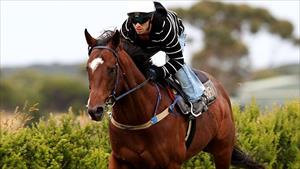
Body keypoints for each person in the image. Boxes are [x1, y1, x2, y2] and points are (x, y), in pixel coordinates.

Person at [120, 1, 207, 116]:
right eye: (134, 20)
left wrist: (158, 71)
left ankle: (197, 98)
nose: (137, 25)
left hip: (173, 37)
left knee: (174, 67)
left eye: (142, 20)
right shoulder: (127, 29)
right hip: (146, 43)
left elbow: (177, 61)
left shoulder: (165, 28)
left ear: (151, 18)